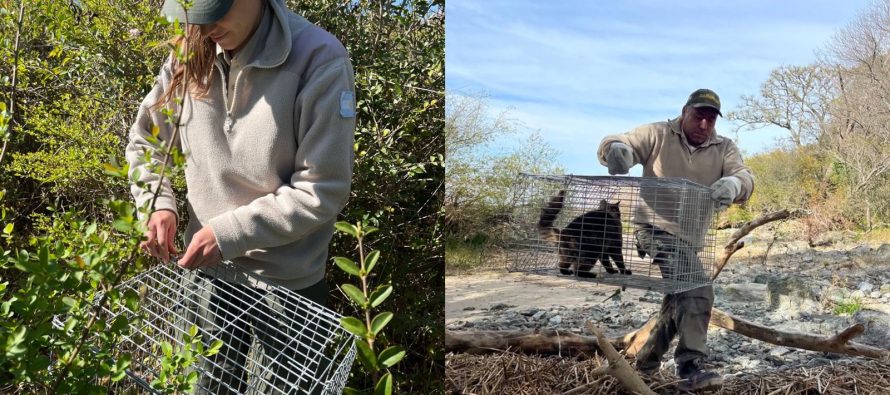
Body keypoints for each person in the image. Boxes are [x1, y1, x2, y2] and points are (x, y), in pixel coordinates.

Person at [125, 0, 355, 393]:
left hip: (289, 284)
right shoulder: (189, 50)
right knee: (207, 386)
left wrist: (228, 234)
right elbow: (146, 141)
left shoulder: (320, 59)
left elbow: (322, 189)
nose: (205, 25)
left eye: (215, 10)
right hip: (206, 273)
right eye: (194, 14)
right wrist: (158, 203)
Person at [597, 88, 754, 392]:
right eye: (699, 116)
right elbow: (620, 141)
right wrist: (616, 150)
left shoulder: (724, 148)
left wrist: (735, 184)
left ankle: (644, 365)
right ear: (684, 112)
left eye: (711, 119)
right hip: (654, 229)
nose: (704, 125)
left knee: (678, 300)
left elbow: (746, 177)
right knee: (698, 289)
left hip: (690, 239)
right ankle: (690, 365)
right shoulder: (657, 133)